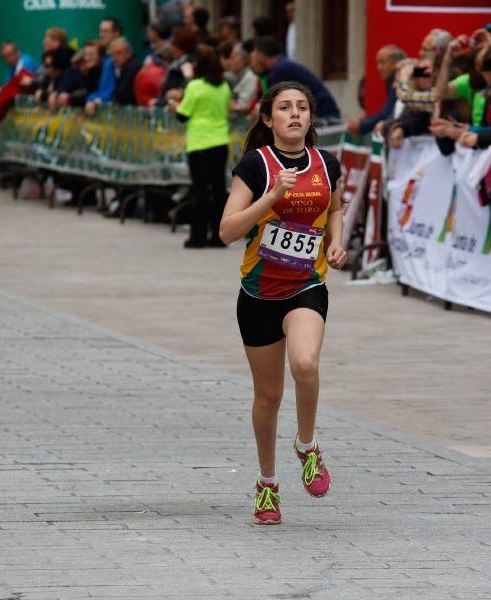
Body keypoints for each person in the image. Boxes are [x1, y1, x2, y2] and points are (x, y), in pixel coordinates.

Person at [219, 81, 346, 525]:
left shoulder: (326, 164)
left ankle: (307, 447)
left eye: (302, 108)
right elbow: (227, 230)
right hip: (257, 293)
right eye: (284, 108)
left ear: (311, 118)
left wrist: (336, 242)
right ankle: (267, 484)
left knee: (305, 364)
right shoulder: (255, 166)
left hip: (306, 285)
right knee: (268, 396)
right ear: (267, 119)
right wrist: (270, 197)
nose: (295, 114)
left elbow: (335, 208)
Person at [170, 44, 230, 248]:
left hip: (199, 144)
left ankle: (198, 235)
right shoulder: (224, 86)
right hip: (221, 141)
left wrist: (174, 105)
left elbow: (182, 115)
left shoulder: (195, 86)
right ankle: (219, 235)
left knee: (200, 190)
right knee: (219, 189)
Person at [250, 37, 340, 119]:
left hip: (323, 116)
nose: (252, 57)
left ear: (261, 54)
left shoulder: (280, 69)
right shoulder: (278, 67)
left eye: (254, 52)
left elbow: (276, 105)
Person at [346, 45, 406, 137]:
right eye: (377, 63)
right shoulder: (391, 81)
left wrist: (361, 125)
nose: (379, 67)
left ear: (396, 63)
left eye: (382, 62)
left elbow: (387, 114)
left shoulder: (398, 81)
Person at [220, 42, 259, 114]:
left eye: (232, 58)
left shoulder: (250, 78)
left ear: (243, 61)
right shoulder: (233, 76)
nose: (229, 61)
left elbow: (241, 106)